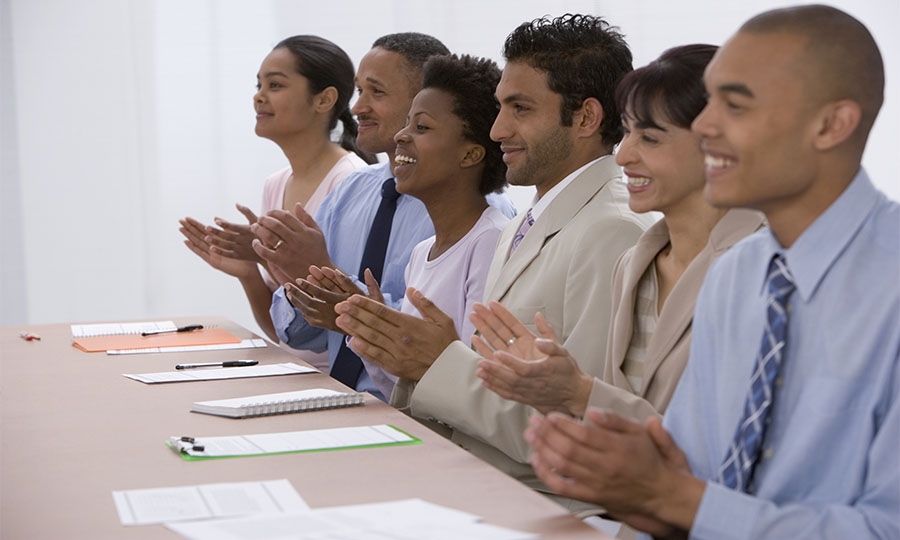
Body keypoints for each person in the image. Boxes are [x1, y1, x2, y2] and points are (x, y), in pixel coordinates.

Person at [526, 5, 899, 539]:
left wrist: (670, 496)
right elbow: (688, 473)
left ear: (831, 124)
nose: (704, 126)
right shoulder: (737, 274)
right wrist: (620, 478)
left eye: (736, 104)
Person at [333, 14, 654, 503]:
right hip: (471, 481)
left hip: (539, 505)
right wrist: (409, 358)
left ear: (586, 118)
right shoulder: (530, 221)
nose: (499, 127)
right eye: (501, 107)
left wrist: (435, 362)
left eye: (520, 108)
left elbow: (578, 427)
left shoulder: (612, 231)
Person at [470, 45, 764, 422]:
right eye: (627, 132)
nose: (623, 155)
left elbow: (728, 443)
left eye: (651, 138)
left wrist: (579, 394)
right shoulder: (635, 265)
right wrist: (565, 395)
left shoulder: (766, 269)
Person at [256, 33, 516, 401]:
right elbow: (304, 335)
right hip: (353, 400)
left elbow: (459, 367)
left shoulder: (482, 226)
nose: (357, 107)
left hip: (417, 416)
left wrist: (339, 290)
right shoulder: (350, 195)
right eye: (359, 91)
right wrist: (304, 278)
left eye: (375, 92)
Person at [177, 35, 373, 370]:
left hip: (339, 379)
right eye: (259, 84)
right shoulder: (276, 184)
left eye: (275, 85)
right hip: (296, 373)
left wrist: (269, 258)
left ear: (324, 99)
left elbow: (341, 323)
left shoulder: (352, 182)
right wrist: (249, 271)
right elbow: (285, 334)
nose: (258, 96)